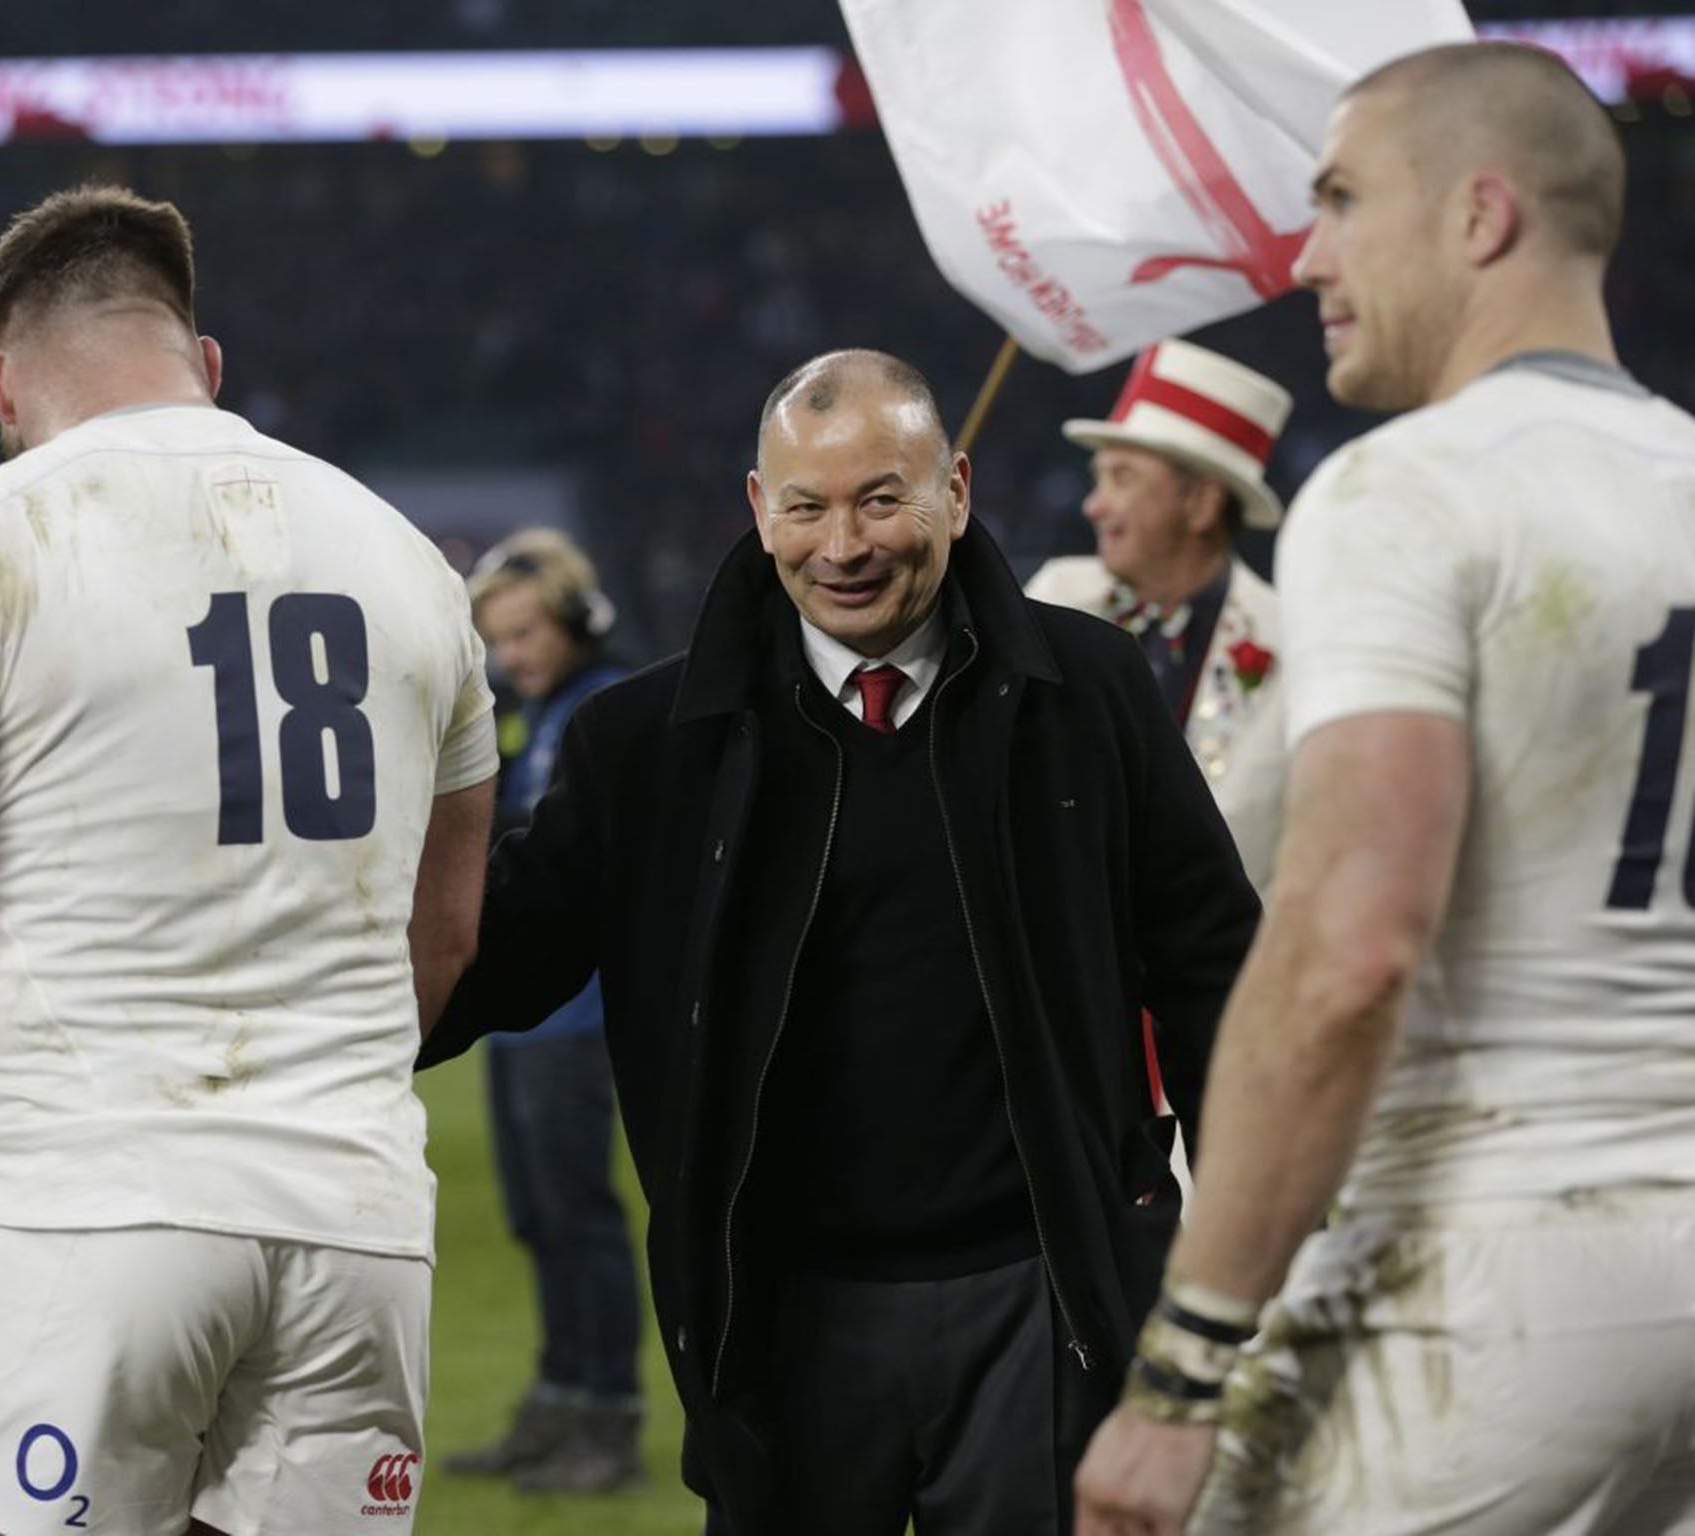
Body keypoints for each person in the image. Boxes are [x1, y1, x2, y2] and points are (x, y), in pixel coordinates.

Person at [421, 348, 1260, 1533]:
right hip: (782, 1325)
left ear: (954, 493)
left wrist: (1231, 1253)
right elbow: (483, 961)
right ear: (758, 510)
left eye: (880, 498)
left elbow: (1212, 969)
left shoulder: (1089, 691)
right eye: (807, 506)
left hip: (1040, 1299)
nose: (843, 546)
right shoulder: (648, 746)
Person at [0, 186, 498, 1536]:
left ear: (2, 381)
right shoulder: (410, 561)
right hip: (356, 1227)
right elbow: (446, 929)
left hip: (86, 1208)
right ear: (206, 363)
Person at [1075, 41, 1695, 1536]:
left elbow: (1351, 950)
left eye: (1344, 198)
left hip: (1500, 1249)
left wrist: (1180, 1370)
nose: (1309, 252)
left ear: (1479, 217)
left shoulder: (1410, 488)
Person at [443, 529, 645, 1493]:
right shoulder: (530, 715)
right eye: (500, 639)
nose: (513, 654)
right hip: (523, 1018)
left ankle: (607, 1416)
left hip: (580, 1013)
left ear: (574, 618)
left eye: (526, 632)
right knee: (538, 1215)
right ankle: (560, 1398)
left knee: (580, 1216)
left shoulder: (608, 712)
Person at [1026, 339, 1293, 887]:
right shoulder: (1053, 598)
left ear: (1201, 504)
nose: (1092, 505)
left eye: (1122, 478)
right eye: (1099, 478)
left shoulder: (1293, 647)